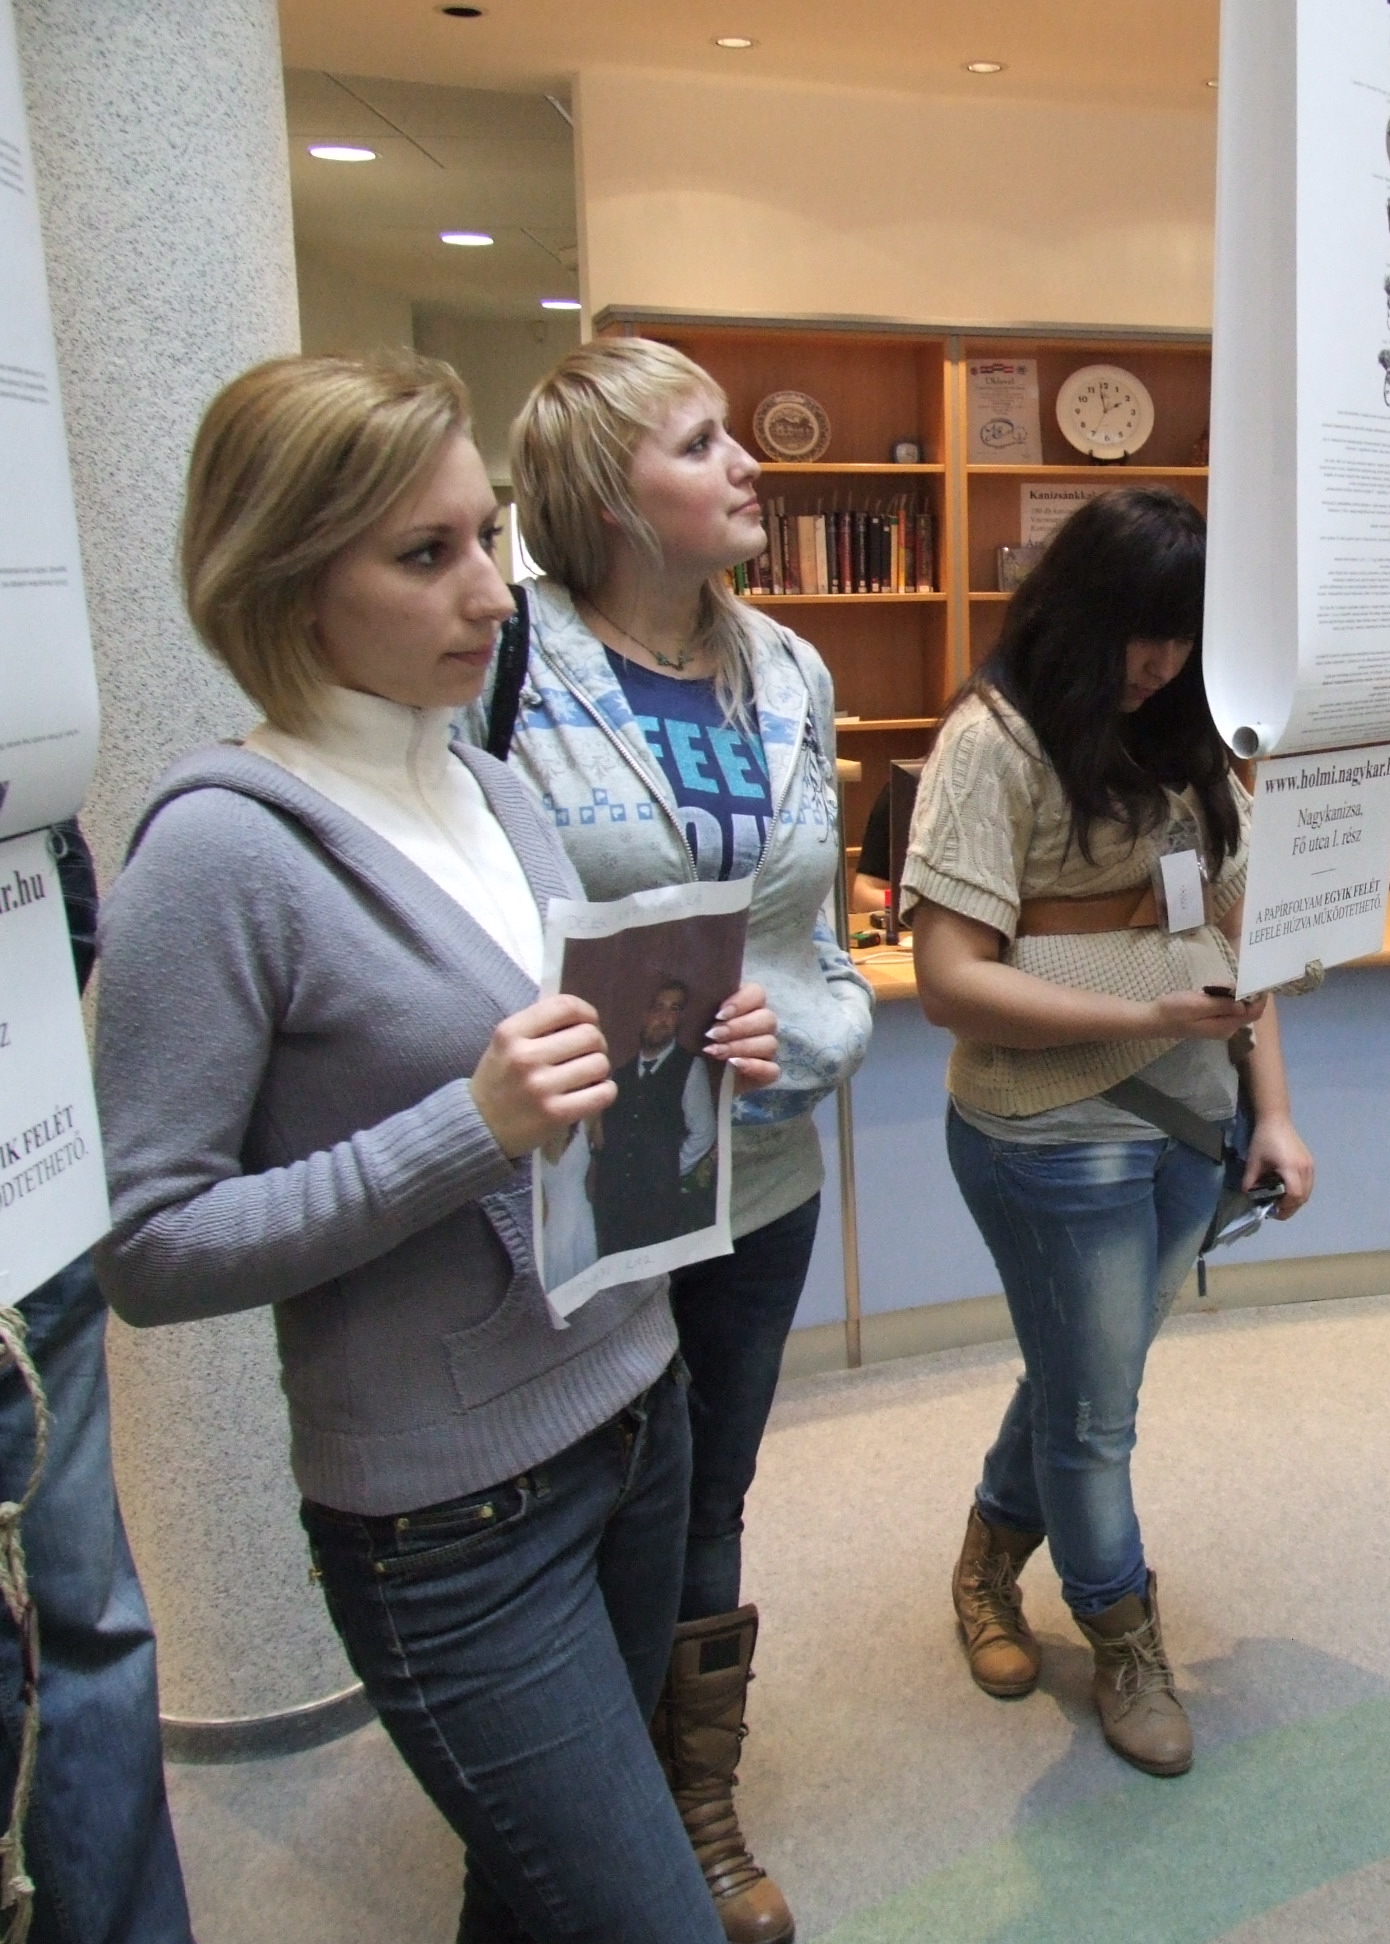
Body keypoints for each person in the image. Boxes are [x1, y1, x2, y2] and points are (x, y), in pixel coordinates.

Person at [94, 350, 779, 1944]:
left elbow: (568, 1092)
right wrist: (466, 1126)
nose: (489, 592)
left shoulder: (488, 789)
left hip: (636, 1411)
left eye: (486, 538)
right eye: (425, 554)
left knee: (531, 1899)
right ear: (284, 580)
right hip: (452, 1516)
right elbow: (149, 1249)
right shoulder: (217, 856)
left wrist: (689, 1057)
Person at [499, 334, 875, 1944]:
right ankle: (575, 1805)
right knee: (576, 1501)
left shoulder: (789, 669)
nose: (748, 464)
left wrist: (809, 1044)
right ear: (607, 493)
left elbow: (825, 951)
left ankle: (692, 1795)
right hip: (576, 1181)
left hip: (760, 1171)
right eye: (701, 441)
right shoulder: (503, 666)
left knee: (711, 1488)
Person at [904, 487, 1315, 1779]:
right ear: (1080, 613)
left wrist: (1274, 1109)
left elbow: (1238, 951)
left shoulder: (1192, 740)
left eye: (1188, 639)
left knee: (1083, 1373)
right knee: (1096, 1411)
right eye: (1145, 633)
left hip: (1190, 1121)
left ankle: (986, 1563)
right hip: (1051, 1129)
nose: (1164, 663)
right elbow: (948, 981)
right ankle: (1122, 1632)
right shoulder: (994, 745)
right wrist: (1145, 1010)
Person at [0, 824, 193, 1944]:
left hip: (25, 1211)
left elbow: (70, 900)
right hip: (23, 1188)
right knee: (84, 1650)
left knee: (84, 1650)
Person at [589, 976, 722, 1256]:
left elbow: (704, 1132)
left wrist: (668, 1172)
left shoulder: (689, 1067)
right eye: (658, 1007)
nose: (664, 1018)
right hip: (613, 1206)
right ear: (645, 1014)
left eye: (674, 1009)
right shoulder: (620, 1075)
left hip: (656, 1209)